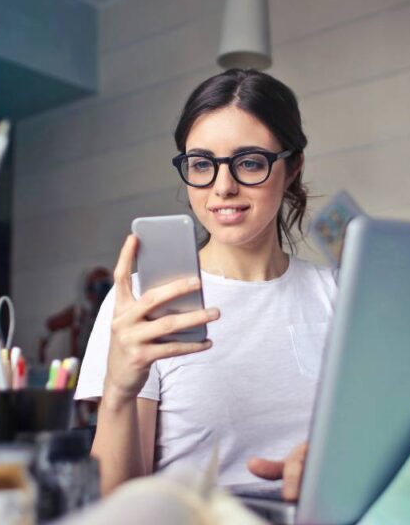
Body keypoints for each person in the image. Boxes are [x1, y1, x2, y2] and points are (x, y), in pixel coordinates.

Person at [75, 69, 337, 500]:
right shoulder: (145, 303)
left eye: (249, 162)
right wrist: (119, 390)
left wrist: (333, 465)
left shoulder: (338, 295)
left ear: (292, 168)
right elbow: (118, 507)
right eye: (202, 164)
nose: (223, 187)